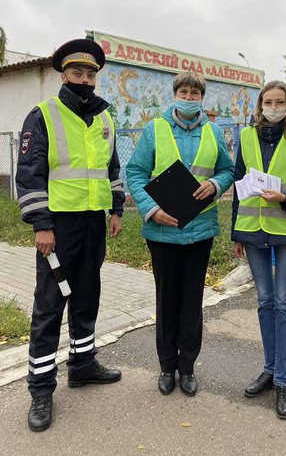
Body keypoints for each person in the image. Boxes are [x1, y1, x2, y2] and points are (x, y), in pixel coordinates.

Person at [16, 38, 125, 432]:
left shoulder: (105, 118)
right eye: (77, 72)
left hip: (93, 224)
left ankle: (82, 364)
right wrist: (42, 225)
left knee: (86, 296)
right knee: (49, 306)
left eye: (91, 74)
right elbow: (29, 174)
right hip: (58, 227)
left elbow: (112, 169)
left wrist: (116, 210)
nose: (85, 79)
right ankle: (41, 389)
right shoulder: (43, 115)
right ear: (64, 75)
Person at [126, 71, 233, 397]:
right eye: (183, 92)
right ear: (174, 95)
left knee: (192, 302)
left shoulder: (214, 131)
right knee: (167, 301)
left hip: (200, 231)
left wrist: (215, 184)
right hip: (162, 231)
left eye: (194, 93)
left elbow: (228, 169)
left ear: (202, 98)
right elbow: (135, 172)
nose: (188, 98)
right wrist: (150, 209)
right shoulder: (154, 129)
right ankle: (166, 367)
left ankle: (187, 367)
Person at [232, 80, 286, 419]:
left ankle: (284, 380)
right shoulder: (246, 136)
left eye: (279, 102)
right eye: (267, 102)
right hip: (252, 230)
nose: (272, 107)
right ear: (260, 105)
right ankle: (269, 370)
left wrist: (285, 198)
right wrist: (236, 232)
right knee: (264, 301)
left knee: (284, 302)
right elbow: (239, 184)